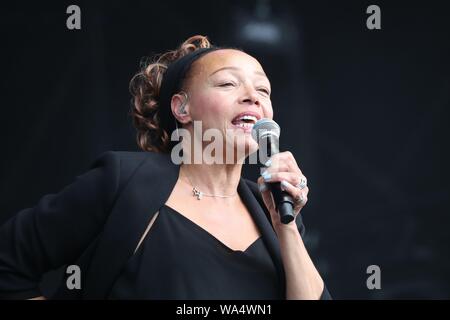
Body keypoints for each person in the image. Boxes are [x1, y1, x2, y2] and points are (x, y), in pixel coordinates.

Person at [0, 35, 331, 300]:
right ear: (182, 108)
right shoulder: (126, 181)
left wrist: (286, 226)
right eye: (229, 84)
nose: (253, 97)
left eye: (263, 89)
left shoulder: (274, 212)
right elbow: (8, 263)